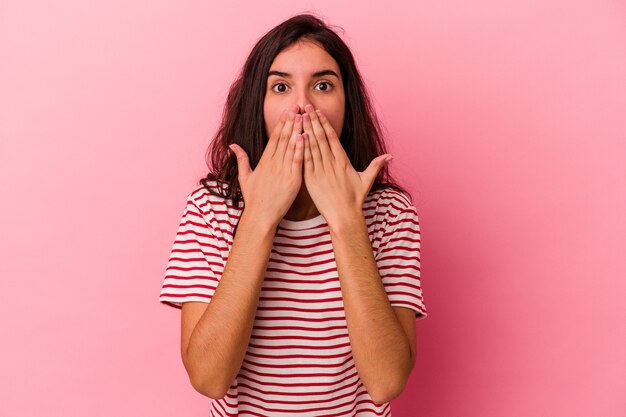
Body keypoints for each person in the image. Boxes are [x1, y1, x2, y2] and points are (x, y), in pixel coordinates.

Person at [159, 13, 427, 417]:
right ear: (257, 104)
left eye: (322, 85)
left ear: (347, 106)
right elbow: (209, 378)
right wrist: (259, 219)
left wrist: (346, 219)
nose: (302, 105)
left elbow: (387, 382)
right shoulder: (209, 207)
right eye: (281, 87)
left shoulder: (390, 213)